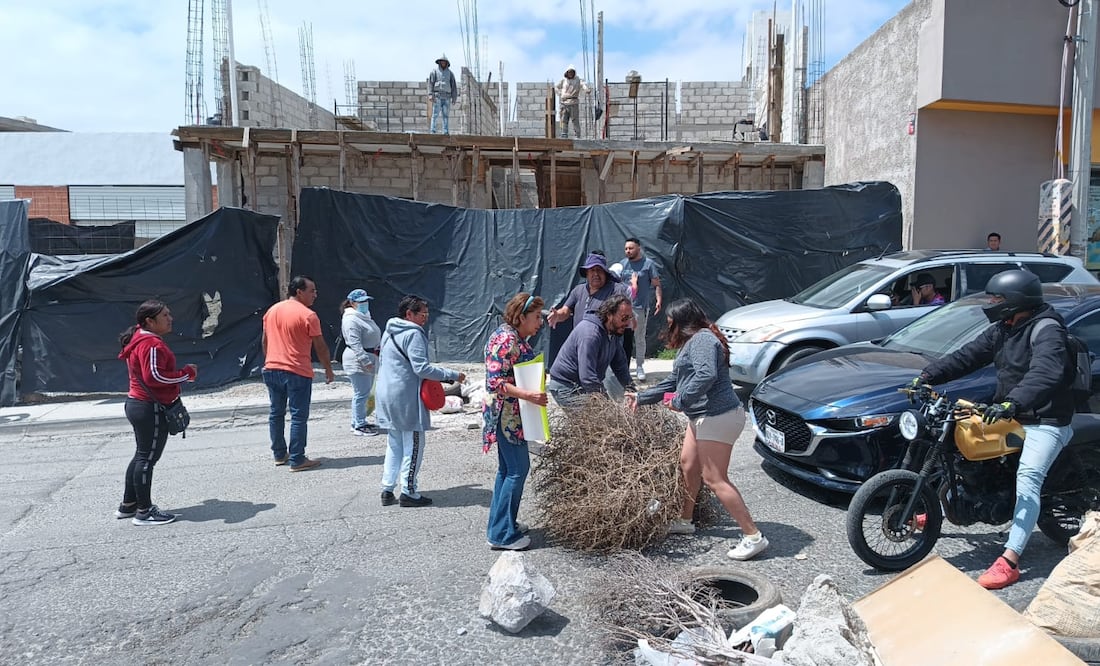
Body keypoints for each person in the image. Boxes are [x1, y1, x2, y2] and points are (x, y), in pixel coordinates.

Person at [913, 269, 1074, 589]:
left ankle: (1010, 559)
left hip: (1045, 419)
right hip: (1011, 412)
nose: (991, 304)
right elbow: (967, 356)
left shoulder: (1047, 330)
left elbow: (1046, 372)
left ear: (1015, 301)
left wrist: (1013, 402)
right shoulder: (1004, 328)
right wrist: (928, 375)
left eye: (996, 299)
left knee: (1028, 479)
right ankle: (946, 507)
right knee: (960, 447)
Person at [626, 299, 768, 561]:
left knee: (715, 479)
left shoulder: (702, 340)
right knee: (688, 465)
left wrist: (680, 401)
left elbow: (706, 375)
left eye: (671, 323)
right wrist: (642, 397)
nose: (669, 328)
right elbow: (674, 380)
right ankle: (685, 520)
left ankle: (753, 536)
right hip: (702, 416)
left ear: (683, 322)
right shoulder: (693, 341)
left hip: (718, 416)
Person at [377, 295, 466, 507]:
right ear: (409, 314)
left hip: (385, 392)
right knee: (414, 443)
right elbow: (421, 368)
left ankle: (387, 489)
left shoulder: (389, 330)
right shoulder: (414, 333)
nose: (425, 318)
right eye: (422, 314)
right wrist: (451, 374)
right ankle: (409, 491)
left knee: (395, 443)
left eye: (427, 314)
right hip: (405, 395)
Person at [116, 300, 198, 526]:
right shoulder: (151, 344)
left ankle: (129, 505)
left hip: (139, 404)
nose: (170, 319)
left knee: (141, 455)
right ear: (150, 321)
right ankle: (144, 512)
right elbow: (155, 377)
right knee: (147, 458)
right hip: (148, 407)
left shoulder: (140, 338)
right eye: (165, 315)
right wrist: (186, 374)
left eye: (169, 314)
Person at [483, 292, 548, 551]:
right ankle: (502, 534)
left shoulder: (514, 337)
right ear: (521, 317)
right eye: (536, 317)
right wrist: (529, 395)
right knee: (517, 470)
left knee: (508, 470)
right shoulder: (506, 339)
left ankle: (501, 525)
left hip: (513, 415)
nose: (540, 322)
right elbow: (495, 382)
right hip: (506, 417)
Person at [262, 276, 334, 472]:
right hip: (296, 371)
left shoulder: (272, 310)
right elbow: (320, 346)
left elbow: (265, 340)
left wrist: (270, 361)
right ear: (299, 292)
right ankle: (297, 459)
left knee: (276, 413)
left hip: (272, 368)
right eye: (312, 291)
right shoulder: (308, 315)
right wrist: (328, 369)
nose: (315, 295)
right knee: (298, 416)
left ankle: (279, 454)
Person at [547, 294, 636, 408]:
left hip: (583, 385)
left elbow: (620, 366)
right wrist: (608, 405)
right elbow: (588, 377)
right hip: (566, 386)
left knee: (604, 414)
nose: (627, 323)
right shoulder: (591, 335)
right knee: (600, 416)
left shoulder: (612, 332)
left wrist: (633, 391)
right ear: (609, 315)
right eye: (624, 318)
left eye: (629, 318)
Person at [618, 237, 663, 381]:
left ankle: (639, 366)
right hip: (622, 308)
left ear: (638, 248)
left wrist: (659, 300)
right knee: (622, 338)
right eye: (626, 249)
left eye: (631, 248)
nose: (628, 251)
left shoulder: (648, 264)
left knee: (639, 338)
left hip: (639, 308)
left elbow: (656, 284)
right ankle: (622, 367)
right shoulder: (622, 264)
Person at [340, 288, 382, 436]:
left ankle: (358, 421)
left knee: (365, 392)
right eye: (361, 302)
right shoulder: (351, 319)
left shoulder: (364, 316)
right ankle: (359, 425)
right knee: (361, 393)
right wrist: (365, 360)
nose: (364, 304)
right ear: (352, 303)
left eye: (366, 301)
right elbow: (354, 343)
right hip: (357, 360)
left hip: (370, 356)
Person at [547, 252, 624, 331]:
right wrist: (558, 315)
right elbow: (565, 311)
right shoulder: (578, 290)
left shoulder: (615, 290)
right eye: (592, 270)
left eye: (599, 270)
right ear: (586, 273)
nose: (596, 274)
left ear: (605, 273)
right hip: (579, 338)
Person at [556, 65, 590, 138]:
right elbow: (556, 87)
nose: (570, 73)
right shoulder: (564, 80)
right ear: (567, 73)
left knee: (575, 121)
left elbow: (583, 85)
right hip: (564, 103)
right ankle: (564, 135)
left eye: (572, 72)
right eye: (569, 72)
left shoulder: (578, 80)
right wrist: (560, 93)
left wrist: (586, 89)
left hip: (573, 102)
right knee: (563, 120)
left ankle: (577, 136)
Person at [428, 54, 458, 135]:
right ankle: (433, 130)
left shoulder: (450, 74)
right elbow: (430, 84)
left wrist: (454, 98)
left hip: (447, 97)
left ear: (447, 63)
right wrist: (430, 95)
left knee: (445, 115)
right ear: (439, 62)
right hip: (437, 96)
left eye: (444, 62)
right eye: (442, 61)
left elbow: (453, 86)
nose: (443, 63)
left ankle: (445, 131)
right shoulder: (434, 72)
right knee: (435, 114)